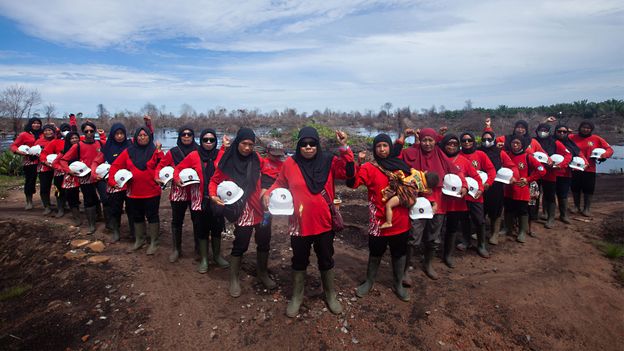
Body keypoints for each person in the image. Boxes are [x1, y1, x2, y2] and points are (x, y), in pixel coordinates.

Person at [264, 127, 354, 317]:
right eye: (304, 144)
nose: (308, 147)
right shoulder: (290, 163)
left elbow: (348, 172)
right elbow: (280, 183)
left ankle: (330, 294)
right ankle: (297, 296)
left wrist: (344, 146)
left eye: (312, 144)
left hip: (324, 222)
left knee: (326, 257)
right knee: (299, 259)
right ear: (299, 145)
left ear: (317, 145)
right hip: (299, 222)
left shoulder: (329, 161)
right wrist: (269, 192)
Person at [346, 133, 422, 302]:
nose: (382, 149)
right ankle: (369, 281)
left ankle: (398, 284)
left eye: (385, 146)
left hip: (401, 221)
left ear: (390, 147)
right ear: (374, 149)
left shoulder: (401, 166)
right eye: (378, 146)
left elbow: (416, 183)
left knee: (399, 253)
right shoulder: (369, 168)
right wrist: (355, 163)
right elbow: (353, 184)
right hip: (378, 222)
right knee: (375, 253)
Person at [209, 128, 275, 297]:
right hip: (243, 209)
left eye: (251, 145)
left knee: (264, 241)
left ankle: (262, 273)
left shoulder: (257, 159)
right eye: (244, 144)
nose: (247, 148)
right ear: (237, 142)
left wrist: (266, 189)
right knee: (241, 243)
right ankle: (233, 278)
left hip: (263, 209)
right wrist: (213, 195)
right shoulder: (227, 160)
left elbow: (270, 173)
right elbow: (214, 181)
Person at [395, 128, 464, 281]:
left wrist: (464, 185)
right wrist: (402, 139)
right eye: (424, 140)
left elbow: (455, 172)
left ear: (435, 141)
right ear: (420, 140)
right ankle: (406, 269)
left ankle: (428, 264)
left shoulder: (440, 155)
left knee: (434, 236)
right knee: (413, 236)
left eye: (430, 140)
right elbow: (395, 158)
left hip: (438, 201)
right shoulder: (410, 153)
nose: (427, 144)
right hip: (418, 200)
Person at [173, 128, 230, 273]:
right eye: (205, 140)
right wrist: (177, 179)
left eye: (212, 140)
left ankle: (217, 256)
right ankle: (204, 259)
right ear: (201, 141)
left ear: (215, 141)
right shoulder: (194, 155)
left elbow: (231, 171)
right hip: (200, 198)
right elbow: (178, 168)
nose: (209, 142)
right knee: (202, 229)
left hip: (217, 198)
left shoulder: (221, 154)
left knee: (217, 228)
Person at [108, 127, 163, 254]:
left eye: (145, 135)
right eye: (140, 135)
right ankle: (140, 239)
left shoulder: (155, 151)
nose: (142, 137)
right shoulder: (128, 151)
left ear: (149, 137)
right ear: (136, 137)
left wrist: (159, 151)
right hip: (133, 192)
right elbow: (116, 165)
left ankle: (154, 241)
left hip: (152, 191)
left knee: (152, 216)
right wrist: (112, 181)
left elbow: (162, 164)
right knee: (137, 216)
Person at [439, 134, 483, 267]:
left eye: (454, 144)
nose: (451, 146)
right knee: (436, 227)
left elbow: (476, 176)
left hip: (456, 201)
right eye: (449, 144)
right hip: (440, 199)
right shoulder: (438, 158)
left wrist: (480, 188)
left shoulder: (463, 161)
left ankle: (448, 255)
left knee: (452, 228)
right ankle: (431, 250)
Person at [156, 126, 199, 262]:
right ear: (180, 137)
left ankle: (198, 250)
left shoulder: (199, 150)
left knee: (197, 221)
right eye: (183, 135)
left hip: (195, 191)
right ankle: (176, 249)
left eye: (189, 134)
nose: (186, 137)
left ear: (193, 136)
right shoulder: (172, 152)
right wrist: (158, 177)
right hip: (178, 191)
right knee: (176, 220)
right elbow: (161, 166)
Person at [59, 121, 105, 234]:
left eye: (91, 131)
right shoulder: (78, 146)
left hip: (100, 175)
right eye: (86, 131)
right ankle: (91, 225)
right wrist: (69, 171)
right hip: (85, 176)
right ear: (83, 132)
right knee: (89, 200)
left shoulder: (101, 143)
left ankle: (106, 221)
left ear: (94, 132)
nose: (89, 133)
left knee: (105, 198)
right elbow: (63, 160)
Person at [500, 135, 546, 243]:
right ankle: (508, 228)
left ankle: (522, 231)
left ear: (522, 145)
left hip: (522, 189)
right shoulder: (506, 155)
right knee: (508, 208)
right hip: (508, 188)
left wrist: (528, 179)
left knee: (522, 210)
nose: (515, 145)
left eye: (518, 143)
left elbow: (542, 170)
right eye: (513, 143)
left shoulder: (528, 156)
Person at [93, 123, 133, 242]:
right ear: (113, 135)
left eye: (122, 134)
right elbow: (96, 161)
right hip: (113, 181)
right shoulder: (107, 147)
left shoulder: (130, 145)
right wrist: (95, 174)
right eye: (117, 134)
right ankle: (116, 231)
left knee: (131, 207)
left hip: (129, 180)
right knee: (115, 207)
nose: (120, 136)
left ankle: (133, 231)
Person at [478, 128, 518, 245]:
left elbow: (512, 166)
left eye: (489, 139)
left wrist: (513, 176)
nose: (486, 141)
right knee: (481, 209)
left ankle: (494, 233)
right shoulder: (477, 151)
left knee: (495, 210)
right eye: (484, 139)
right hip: (481, 185)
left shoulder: (500, 152)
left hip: (496, 185)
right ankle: (480, 231)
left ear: (494, 139)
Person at [569, 121, 613, 217]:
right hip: (575, 167)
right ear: (580, 128)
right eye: (584, 127)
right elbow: (560, 139)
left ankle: (586, 208)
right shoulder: (572, 137)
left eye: (588, 128)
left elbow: (610, 149)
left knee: (588, 188)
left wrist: (603, 155)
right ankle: (576, 206)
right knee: (575, 188)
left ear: (591, 129)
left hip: (589, 168)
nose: (585, 129)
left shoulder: (596, 139)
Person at [534, 123, 571, 229]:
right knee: (534, 194)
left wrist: (560, 165)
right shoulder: (532, 141)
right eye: (540, 129)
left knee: (550, 195)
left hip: (549, 173)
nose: (542, 132)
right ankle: (533, 215)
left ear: (549, 132)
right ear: (537, 131)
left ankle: (551, 218)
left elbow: (567, 154)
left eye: (545, 130)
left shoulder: (555, 142)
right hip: (535, 172)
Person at [40, 123, 74, 218]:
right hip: (59, 170)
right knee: (58, 189)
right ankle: (60, 208)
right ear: (60, 131)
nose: (66, 132)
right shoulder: (56, 142)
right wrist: (45, 162)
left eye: (68, 129)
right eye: (64, 130)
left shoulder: (76, 140)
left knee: (72, 190)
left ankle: (73, 208)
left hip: (72, 170)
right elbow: (44, 153)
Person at [553, 123, 584, 223]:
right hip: (550, 173)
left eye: (564, 132)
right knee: (549, 195)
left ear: (567, 133)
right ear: (555, 132)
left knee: (563, 195)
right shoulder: (550, 142)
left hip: (565, 173)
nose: (561, 133)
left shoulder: (571, 144)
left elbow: (580, 155)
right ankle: (549, 215)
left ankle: (564, 215)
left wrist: (585, 164)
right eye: (559, 131)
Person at [10, 117, 43, 210]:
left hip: (42, 161)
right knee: (30, 181)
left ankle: (46, 202)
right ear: (30, 124)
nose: (36, 125)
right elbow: (13, 145)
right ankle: (29, 201)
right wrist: (18, 151)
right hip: (30, 161)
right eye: (34, 123)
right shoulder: (24, 134)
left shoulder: (43, 134)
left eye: (38, 123)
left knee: (45, 182)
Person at [53, 131, 82, 225]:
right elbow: (55, 163)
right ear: (68, 140)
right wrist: (65, 169)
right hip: (68, 176)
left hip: (81, 175)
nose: (74, 140)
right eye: (72, 138)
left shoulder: (82, 149)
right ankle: (75, 216)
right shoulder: (64, 151)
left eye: (76, 138)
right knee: (67, 194)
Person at [34, 124, 58, 215]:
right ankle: (46, 206)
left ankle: (60, 203)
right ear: (43, 132)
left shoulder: (58, 140)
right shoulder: (39, 142)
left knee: (58, 187)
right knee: (44, 187)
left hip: (57, 168)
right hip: (44, 167)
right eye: (46, 130)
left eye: (50, 130)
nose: (48, 132)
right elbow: (36, 154)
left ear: (54, 131)